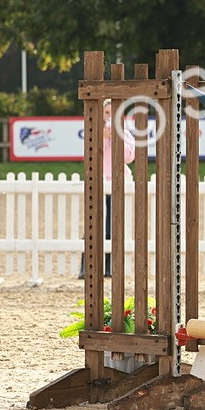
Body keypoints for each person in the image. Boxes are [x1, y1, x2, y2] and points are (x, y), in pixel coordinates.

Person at [80, 100, 135, 278]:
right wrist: (104, 138)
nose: (110, 116)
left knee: (113, 224)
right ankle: (85, 267)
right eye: (106, 112)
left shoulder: (126, 133)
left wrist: (118, 138)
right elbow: (91, 155)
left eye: (113, 112)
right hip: (98, 182)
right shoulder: (95, 132)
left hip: (118, 183)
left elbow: (129, 157)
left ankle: (110, 266)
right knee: (93, 222)